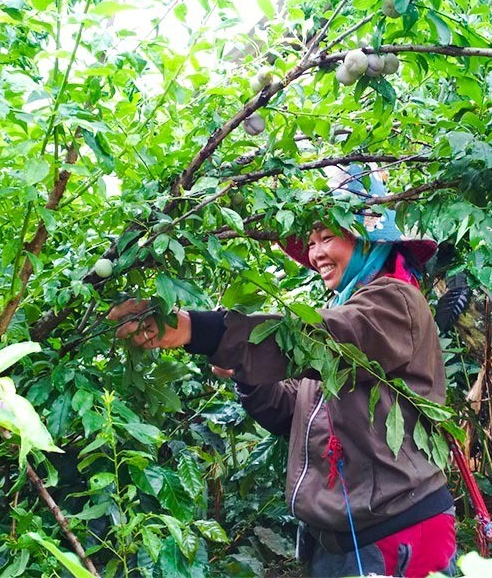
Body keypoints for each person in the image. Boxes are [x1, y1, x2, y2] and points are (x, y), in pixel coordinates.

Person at [109, 165, 457, 577]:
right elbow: (295, 411)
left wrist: (201, 329)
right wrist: (246, 371)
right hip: (344, 539)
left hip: (394, 534)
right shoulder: (354, 306)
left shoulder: (394, 300)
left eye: (327, 237)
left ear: (367, 236)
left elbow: (317, 339)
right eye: (311, 242)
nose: (316, 254)